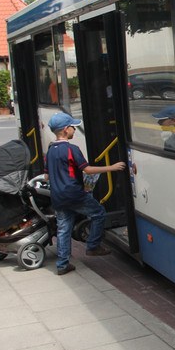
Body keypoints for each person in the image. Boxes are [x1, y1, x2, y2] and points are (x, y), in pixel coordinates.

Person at [44, 112, 126, 275]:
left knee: (63, 229)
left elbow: (47, 176)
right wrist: (112, 167)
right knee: (99, 213)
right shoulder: (71, 149)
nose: (75, 130)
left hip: (58, 196)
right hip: (74, 194)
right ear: (66, 130)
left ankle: (62, 264)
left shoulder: (50, 150)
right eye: (73, 128)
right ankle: (93, 246)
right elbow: (87, 169)